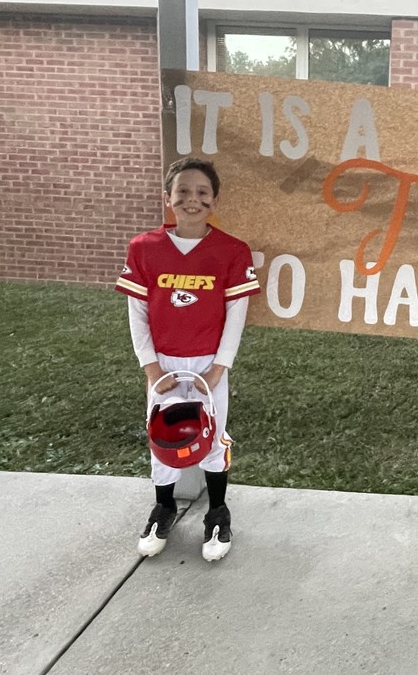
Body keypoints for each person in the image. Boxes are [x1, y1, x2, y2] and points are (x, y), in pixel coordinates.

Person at [116, 157, 260, 561]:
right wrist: (151, 367)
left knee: (213, 434)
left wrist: (219, 367)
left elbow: (236, 314)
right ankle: (163, 506)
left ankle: (217, 512)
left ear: (215, 200)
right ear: (168, 197)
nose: (191, 199)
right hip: (163, 364)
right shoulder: (144, 248)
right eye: (182, 191)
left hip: (208, 363)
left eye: (201, 192)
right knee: (162, 435)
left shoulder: (232, 251)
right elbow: (137, 312)